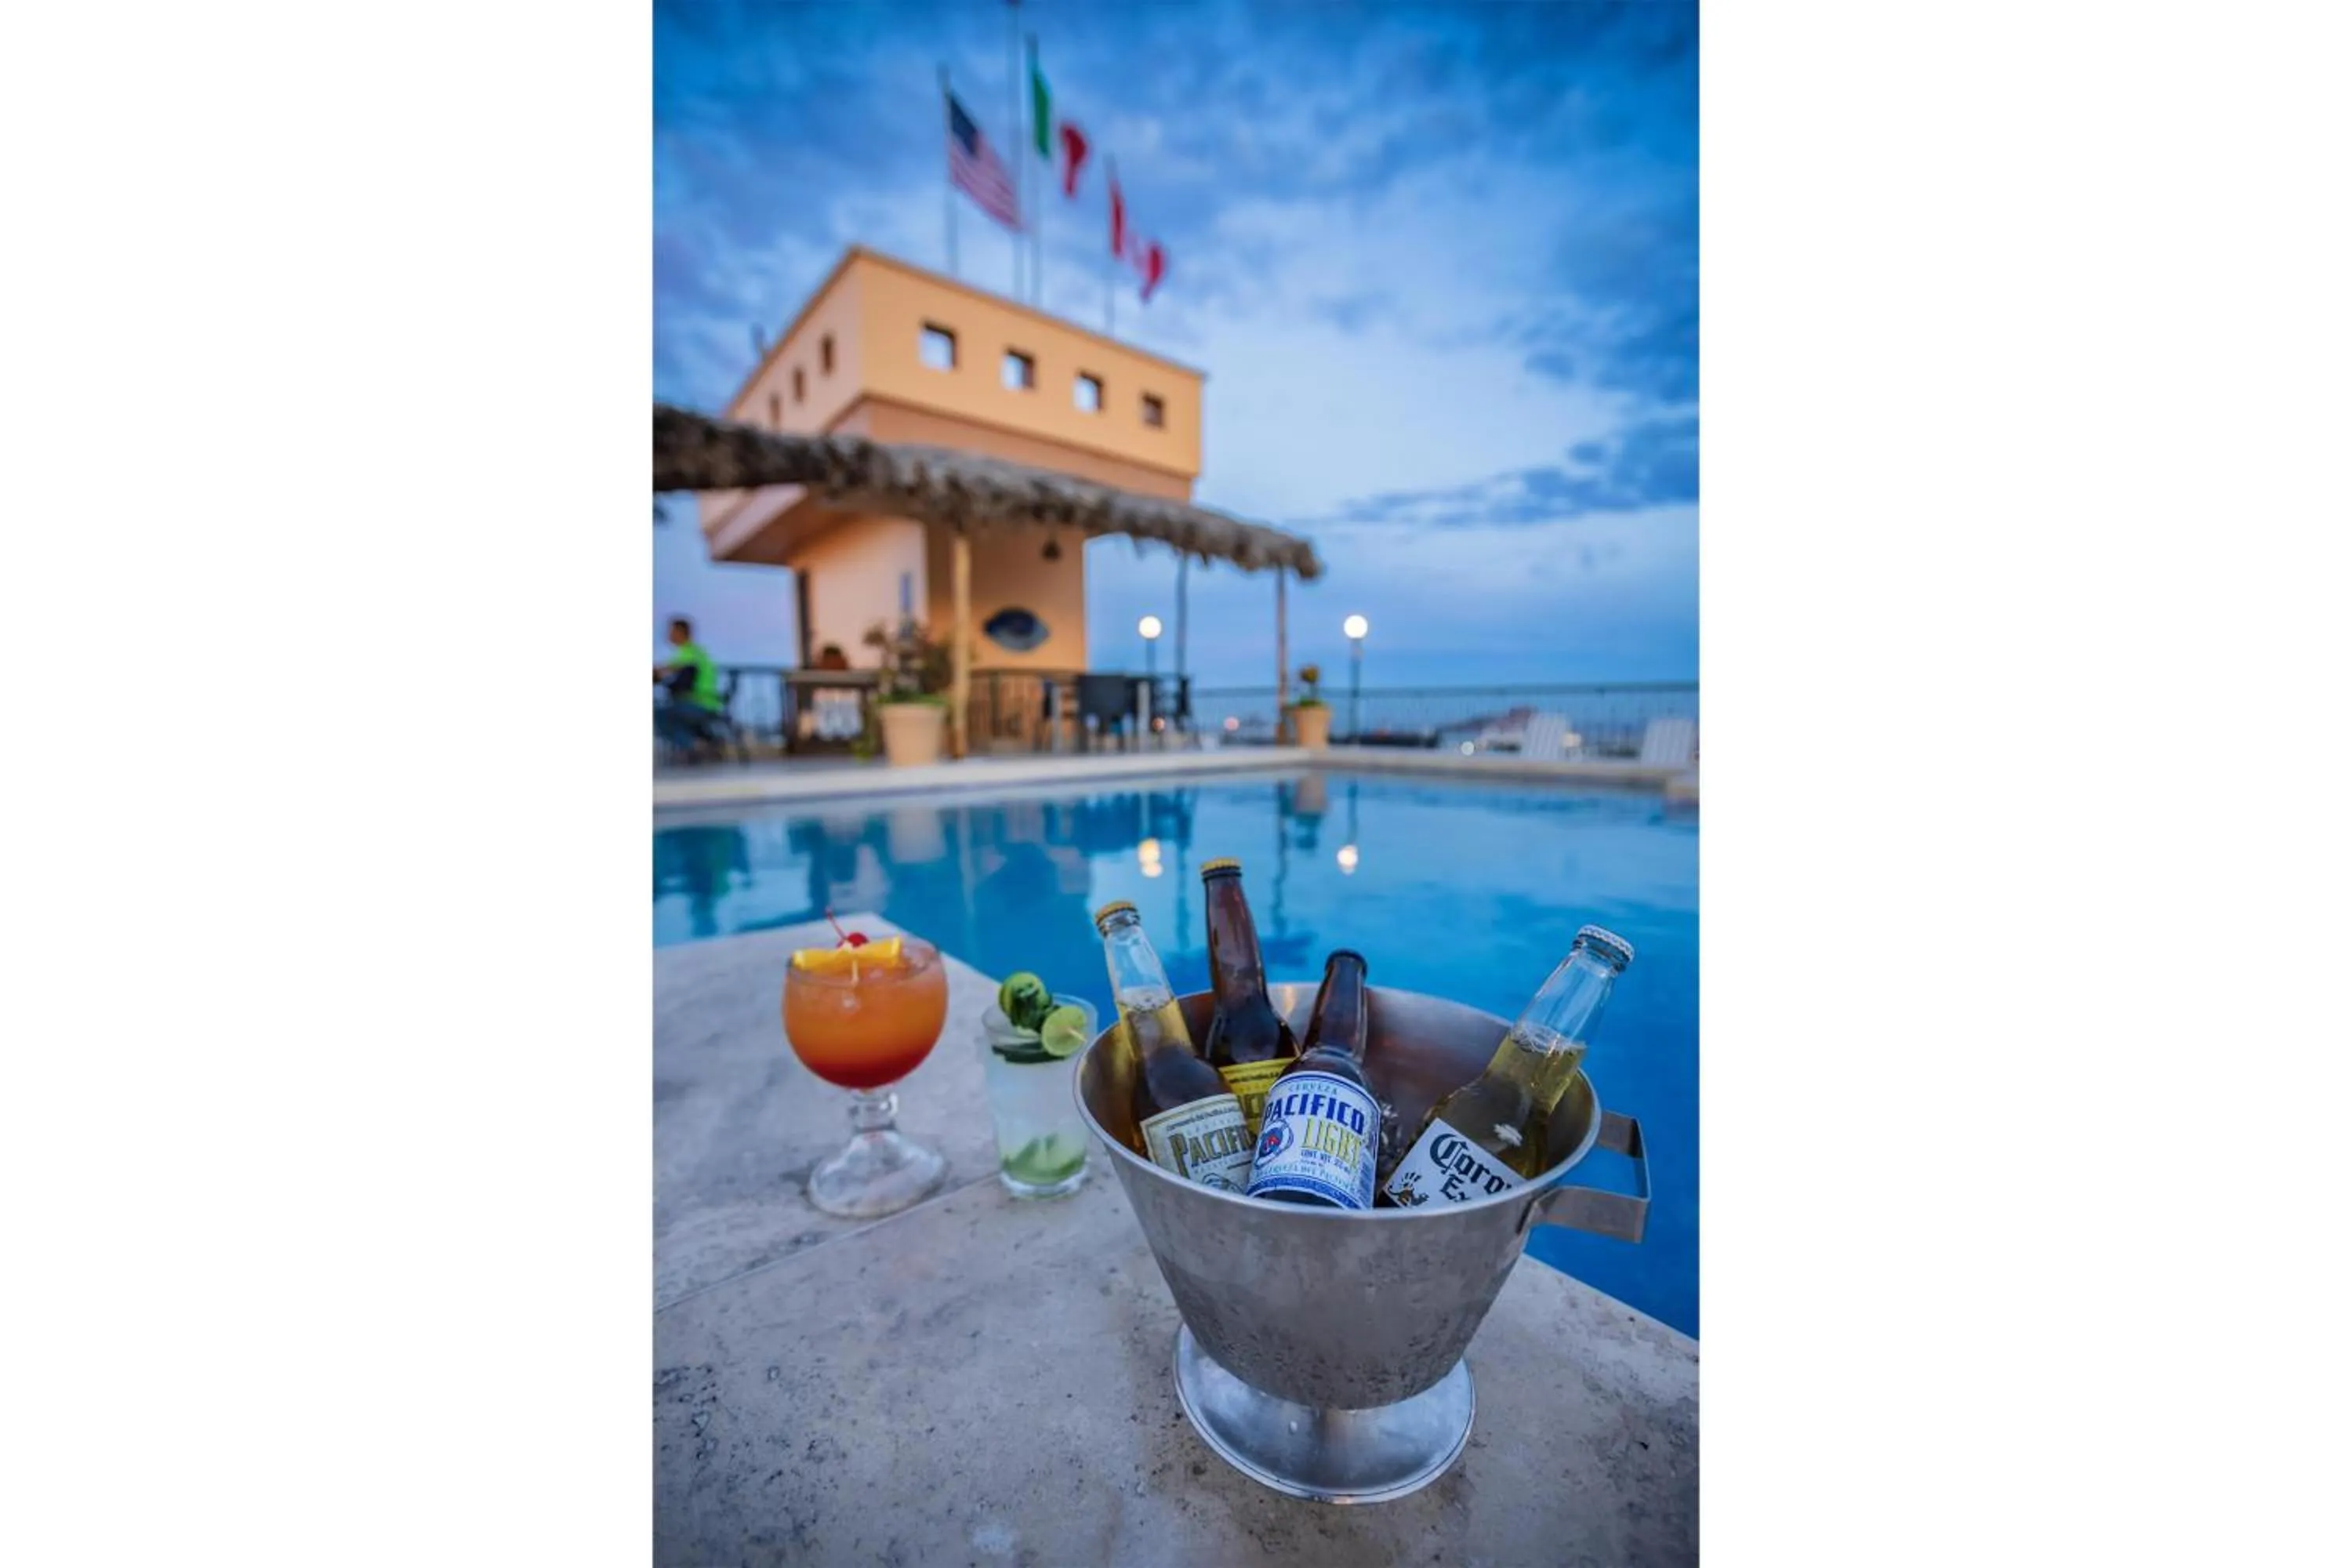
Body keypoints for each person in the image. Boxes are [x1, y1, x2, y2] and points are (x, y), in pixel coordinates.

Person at [654, 616, 728, 757]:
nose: (668, 636)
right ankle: (703, 742)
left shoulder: (689, 653)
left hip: (700, 703)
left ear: (681, 632)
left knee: (658, 714)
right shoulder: (697, 651)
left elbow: (664, 670)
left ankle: (695, 745)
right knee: (669, 711)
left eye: (671, 632)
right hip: (708, 702)